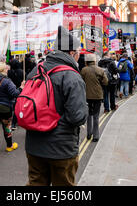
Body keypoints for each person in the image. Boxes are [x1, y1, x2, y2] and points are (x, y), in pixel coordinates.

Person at [25, 26, 88, 186]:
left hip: (34, 146)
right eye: (78, 51)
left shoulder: (35, 71)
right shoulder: (72, 76)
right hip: (62, 149)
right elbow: (77, 117)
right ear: (72, 53)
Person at [0, 62, 23, 158]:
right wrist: (21, 88)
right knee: (7, 127)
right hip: (5, 108)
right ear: (3, 70)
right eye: (6, 68)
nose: (8, 69)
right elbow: (15, 93)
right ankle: (9, 146)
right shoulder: (7, 81)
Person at [81, 53, 108, 142]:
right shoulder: (100, 70)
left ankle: (89, 134)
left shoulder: (84, 70)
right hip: (97, 95)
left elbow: (81, 82)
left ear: (86, 61)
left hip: (87, 96)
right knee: (96, 116)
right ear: (94, 61)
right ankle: (96, 136)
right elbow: (105, 82)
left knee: (89, 115)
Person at [8, 58, 24, 130]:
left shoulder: (9, 72)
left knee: (11, 106)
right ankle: (14, 123)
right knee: (17, 106)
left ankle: (10, 122)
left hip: (10, 89)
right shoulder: (22, 72)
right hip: (19, 90)